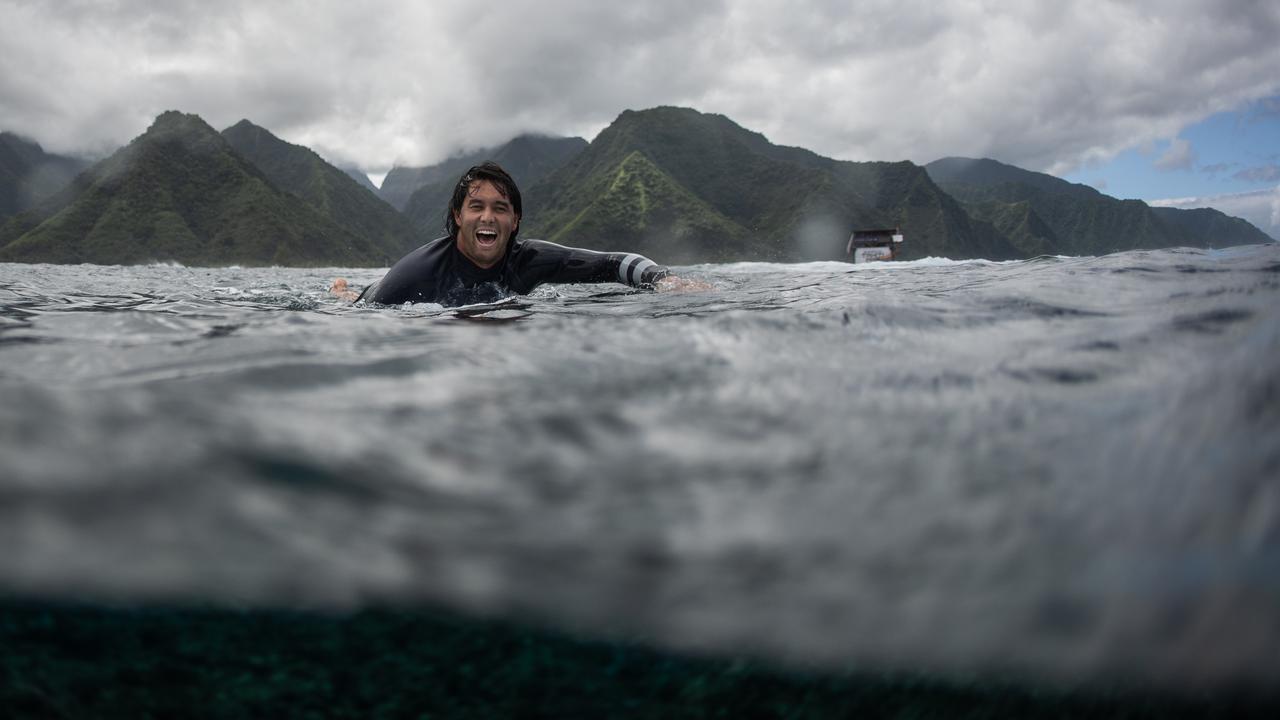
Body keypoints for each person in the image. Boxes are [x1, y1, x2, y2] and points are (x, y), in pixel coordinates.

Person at [332, 161, 702, 307]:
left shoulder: (530, 260)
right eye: (476, 207)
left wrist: (664, 280)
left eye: (501, 208)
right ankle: (342, 288)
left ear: (516, 220)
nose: (488, 217)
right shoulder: (414, 276)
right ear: (457, 217)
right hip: (370, 298)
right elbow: (364, 322)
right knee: (350, 296)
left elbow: (614, 262)